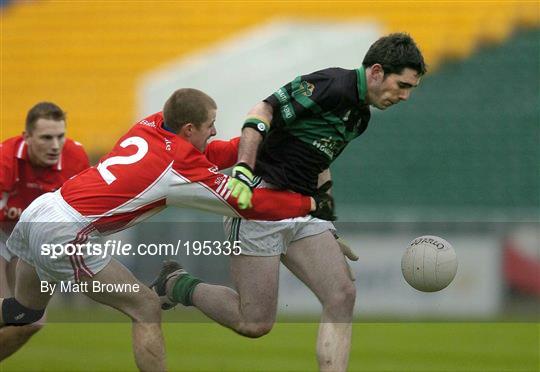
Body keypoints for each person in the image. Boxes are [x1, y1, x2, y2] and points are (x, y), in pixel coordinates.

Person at [0, 88, 334, 371]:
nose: (215, 131)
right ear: (189, 129)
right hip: (66, 232)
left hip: (40, 213)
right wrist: (309, 205)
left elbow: (208, 153)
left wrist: (257, 142)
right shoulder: (179, 167)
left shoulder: (151, 124)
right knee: (145, 306)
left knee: (22, 311)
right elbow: (248, 203)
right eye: (210, 125)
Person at [153, 33, 427, 371]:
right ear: (375, 72)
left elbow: (318, 158)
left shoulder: (361, 117)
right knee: (254, 323)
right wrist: (242, 170)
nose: (405, 96)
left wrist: (327, 217)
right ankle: (176, 284)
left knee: (342, 295)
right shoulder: (330, 84)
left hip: (301, 208)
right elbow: (263, 110)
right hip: (260, 199)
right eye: (402, 85)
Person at [0, 102, 90, 361]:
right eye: (46, 137)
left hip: (33, 241)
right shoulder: (5, 159)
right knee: (6, 308)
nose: (55, 145)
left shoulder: (76, 158)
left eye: (60, 136)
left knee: (30, 319)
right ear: (26, 137)